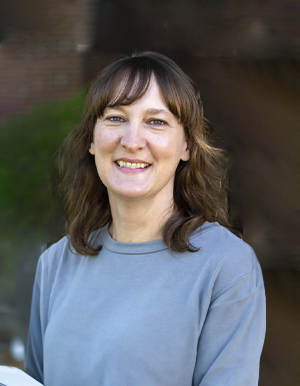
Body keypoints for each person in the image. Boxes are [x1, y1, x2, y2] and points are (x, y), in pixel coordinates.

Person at [25, 51, 266, 386]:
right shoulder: (55, 264)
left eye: (156, 122)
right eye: (115, 118)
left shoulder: (226, 267)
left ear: (187, 147)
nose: (132, 141)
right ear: (93, 141)